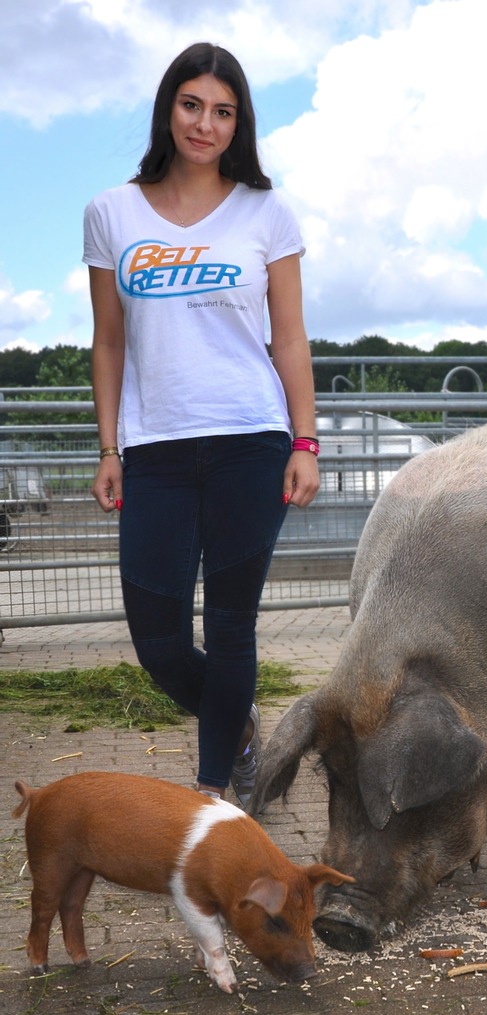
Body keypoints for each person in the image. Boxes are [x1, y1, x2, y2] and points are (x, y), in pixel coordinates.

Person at [86, 42, 319, 806]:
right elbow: (110, 339)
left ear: (239, 124)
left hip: (251, 442)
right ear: (168, 108)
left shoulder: (266, 211)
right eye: (193, 105)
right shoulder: (111, 213)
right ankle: (241, 723)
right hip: (153, 447)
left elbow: (289, 337)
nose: (206, 124)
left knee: (230, 629)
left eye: (224, 112)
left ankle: (217, 795)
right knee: (156, 640)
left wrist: (306, 440)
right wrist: (110, 445)